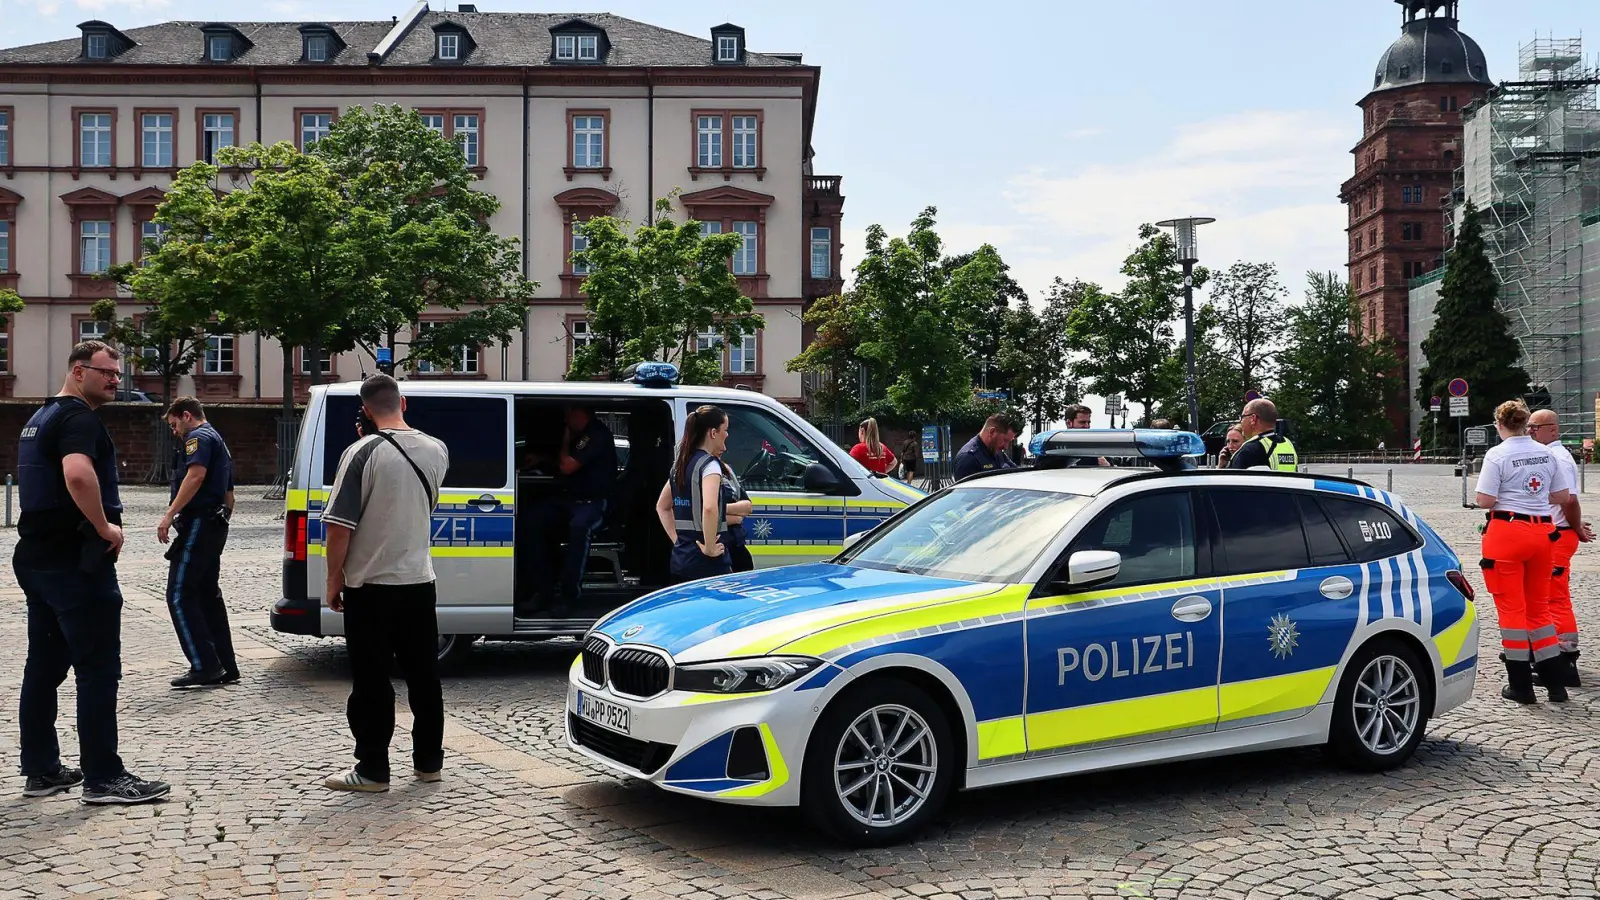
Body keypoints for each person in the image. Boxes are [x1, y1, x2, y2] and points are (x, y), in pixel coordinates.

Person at [15, 340, 169, 804]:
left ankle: (42, 770)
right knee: (98, 670)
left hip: (37, 557)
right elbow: (78, 474)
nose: (115, 380)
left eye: (118, 374)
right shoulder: (79, 418)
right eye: (107, 372)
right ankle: (104, 777)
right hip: (75, 562)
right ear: (79, 372)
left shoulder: (40, 416)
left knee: (43, 667)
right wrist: (105, 527)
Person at [321, 374, 450, 792]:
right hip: (418, 579)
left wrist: (333, 580)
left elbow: (339, 527)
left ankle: (373, 768)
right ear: (403, 403)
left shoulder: (361, 452)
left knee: (372, 681)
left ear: (365, 409)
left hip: (371, 584)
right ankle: (429, 762)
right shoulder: (437, 449)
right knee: (424, 676)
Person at [1476, 400, 1572, 704]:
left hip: (1507, 533)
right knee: (1540, 609)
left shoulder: (1497, 454)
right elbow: (1561, 495)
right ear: (1526, 424)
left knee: (1512, 611)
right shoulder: (1546, 452)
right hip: (1543, 532)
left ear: (1499, 424)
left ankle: (1521, 686)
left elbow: (1484, 500)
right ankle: (1555, 684)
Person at [158, 397, 239, 689]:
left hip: (199, 523)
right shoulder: (217, 440)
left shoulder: (198, 438)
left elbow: (195, 476)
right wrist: (222, 521)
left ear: (187, 416)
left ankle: (204, 665)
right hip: (213, 524)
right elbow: (230, 493)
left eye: (174, 423)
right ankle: (225, 665)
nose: (175, 431)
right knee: (207, 595)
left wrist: (169, 515)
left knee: (179, 593)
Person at [521, 405, 617, 617]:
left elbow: (567, 466)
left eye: (568, 414)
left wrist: (565, 439)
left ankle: (569, 596)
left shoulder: (594, 434)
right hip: (571, 499)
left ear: (580, 413)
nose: (565, 419)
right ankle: (542, 590)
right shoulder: (582, 435)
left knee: (579, 528)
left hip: (594, 501)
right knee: (531, 523)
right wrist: (542, 460)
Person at [1530, 408, 1590, 687]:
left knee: (1555, 596)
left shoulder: (1558, 457)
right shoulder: (1548, 455)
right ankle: (1550, 653)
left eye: (1535, 427)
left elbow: (1570, 501)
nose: (1529, 432)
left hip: (1560, 534)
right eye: (1528, 427)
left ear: (1552, 429)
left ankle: (1566, 661)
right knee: (1546, 595)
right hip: (1553, 532)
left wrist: (1576, 527)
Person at [656, 405, 733, 583]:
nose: (727, 435)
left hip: (681, 557)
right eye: (725, 430)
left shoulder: (681, 464)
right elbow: (709, 508)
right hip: (706, 562)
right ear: (713, 433)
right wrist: (711, 548)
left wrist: (677, 540)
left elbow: (662, 506)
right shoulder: (710, 465)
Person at [1228, 398, 1298, 471]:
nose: (1241, 422)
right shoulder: (1288, 444)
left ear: (1253, 419)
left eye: (1242, 417)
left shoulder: (1249, 450)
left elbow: (1233, 480)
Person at [720, 451, 757, 573]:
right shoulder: (698, 472)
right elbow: (701, 513)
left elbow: (747, 506)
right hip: (718, 547)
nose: (724, 448)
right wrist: (735, 516)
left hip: (736, 545)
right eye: (724, 431)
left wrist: (720, 510)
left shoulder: (727, 470)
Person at [953, 415, 1017, 481]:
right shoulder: (968, 458)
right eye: (1005, 440)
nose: (1006, 447)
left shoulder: (997, 451)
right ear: (992, 432)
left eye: (1009, 442)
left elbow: (1016, 474)